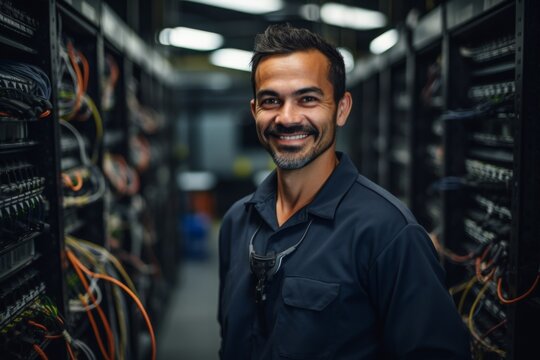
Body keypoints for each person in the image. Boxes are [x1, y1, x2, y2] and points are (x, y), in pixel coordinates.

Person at [218, 23, 470, 360]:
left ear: (341, 108)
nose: (287, 117)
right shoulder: (238, 221)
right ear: (255, 112)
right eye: (271, 100)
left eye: (307, 99)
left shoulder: (389, 234)